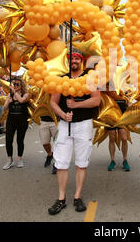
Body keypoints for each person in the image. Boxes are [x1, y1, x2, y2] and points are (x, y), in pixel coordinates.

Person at [48, 48, 101, 215]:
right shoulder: (62, 79)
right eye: (71, 59)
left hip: (84, 124)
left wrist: (76, 105)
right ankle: (61, 198)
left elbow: (96, 100)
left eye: (77, 59)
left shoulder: (89, 78)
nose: (74, 61)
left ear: (82, 61)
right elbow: (53, 102)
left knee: (81, 162)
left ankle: (77, 196)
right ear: (68, 61)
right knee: (61, 162)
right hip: (65, 125)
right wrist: (63, 114)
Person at [2, 77, 31, 170]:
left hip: (22, 120)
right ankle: (9, 159)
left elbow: (22, 100)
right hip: (11, 120)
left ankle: (20, 158)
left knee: (20, 140)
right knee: (8, 140)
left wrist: (14, 92)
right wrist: (8, 102)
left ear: (21, 85)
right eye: (14, 84)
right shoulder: (10, 95)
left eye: (17, 84)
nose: (15, 86)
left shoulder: (26, 94)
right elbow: (4, 108)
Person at [107, 95, 130, 172]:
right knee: (112, 138)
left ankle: (125, 160)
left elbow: (130, 97)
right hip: (111, 116)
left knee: (124, 138)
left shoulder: (125, 86)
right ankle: (112, 160)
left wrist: (129, 101)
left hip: (122, 116)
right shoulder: (108, 86)